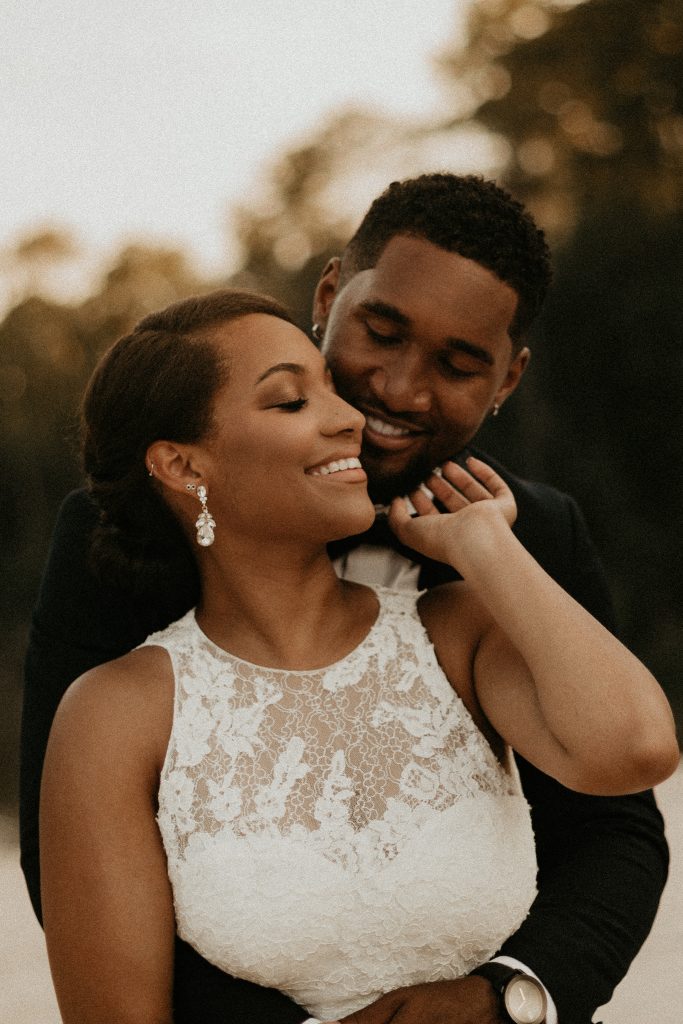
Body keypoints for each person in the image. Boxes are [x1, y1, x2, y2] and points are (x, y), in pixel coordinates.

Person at [20, 174, 673, 1024]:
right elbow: (71, 862)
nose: (394, 395)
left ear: (507, 380)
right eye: (381, 332)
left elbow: (615, 821)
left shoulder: (524, 544)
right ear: (330, 295)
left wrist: (507, 997)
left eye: (457, 363)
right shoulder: (120, 545)